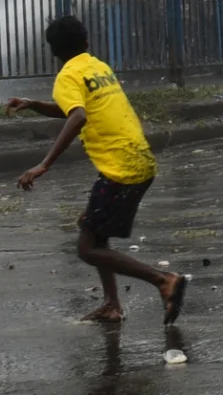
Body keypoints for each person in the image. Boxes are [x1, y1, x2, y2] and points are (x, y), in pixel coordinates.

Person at [7, 16, 189, 325]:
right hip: (137, 158)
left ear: (53, 51)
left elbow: (77, 116)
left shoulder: (67, 76)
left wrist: (44, 164)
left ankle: (164, 281)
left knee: (87, 248)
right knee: (91, 228)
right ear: (87, 42)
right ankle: (112, 305)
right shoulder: (97, 67)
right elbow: (74, 109)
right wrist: (33, 103)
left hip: (121, 169)